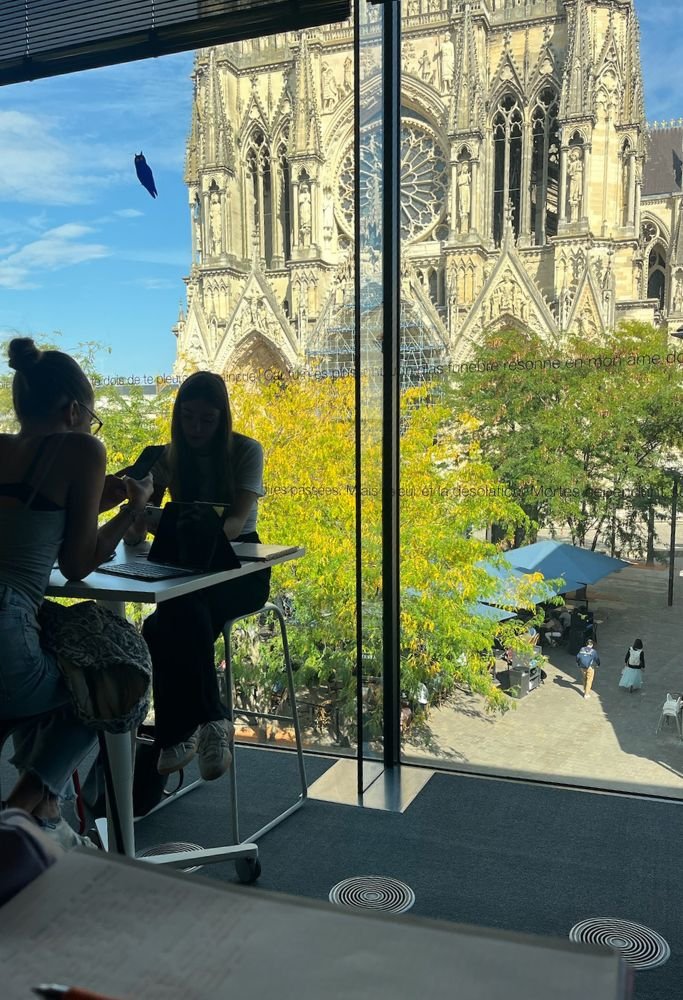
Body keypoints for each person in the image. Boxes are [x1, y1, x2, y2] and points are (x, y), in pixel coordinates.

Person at [0, 338, 154, 849]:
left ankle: (41, 811)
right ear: (72, 410)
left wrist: (87, 505)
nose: (92, 427)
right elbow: (77, 563)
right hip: (7, 632)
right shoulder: (83, 448)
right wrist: (130, 512)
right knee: (116, 676)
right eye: (91, 416)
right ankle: (25, 806)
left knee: (56, 664)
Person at [128, 371, 270, 781]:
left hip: (241, 567)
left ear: (223, 418)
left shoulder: (246, 450)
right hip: (186, 565)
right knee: (176, 612)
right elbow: (137, 530)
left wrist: (160, 522)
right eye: (188, 418)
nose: (195, 429)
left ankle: (179, 733)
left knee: (164, 624)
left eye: (207, 420)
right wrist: (138, 501)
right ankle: (210, 724)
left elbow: (234, 523)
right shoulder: (169, 456)